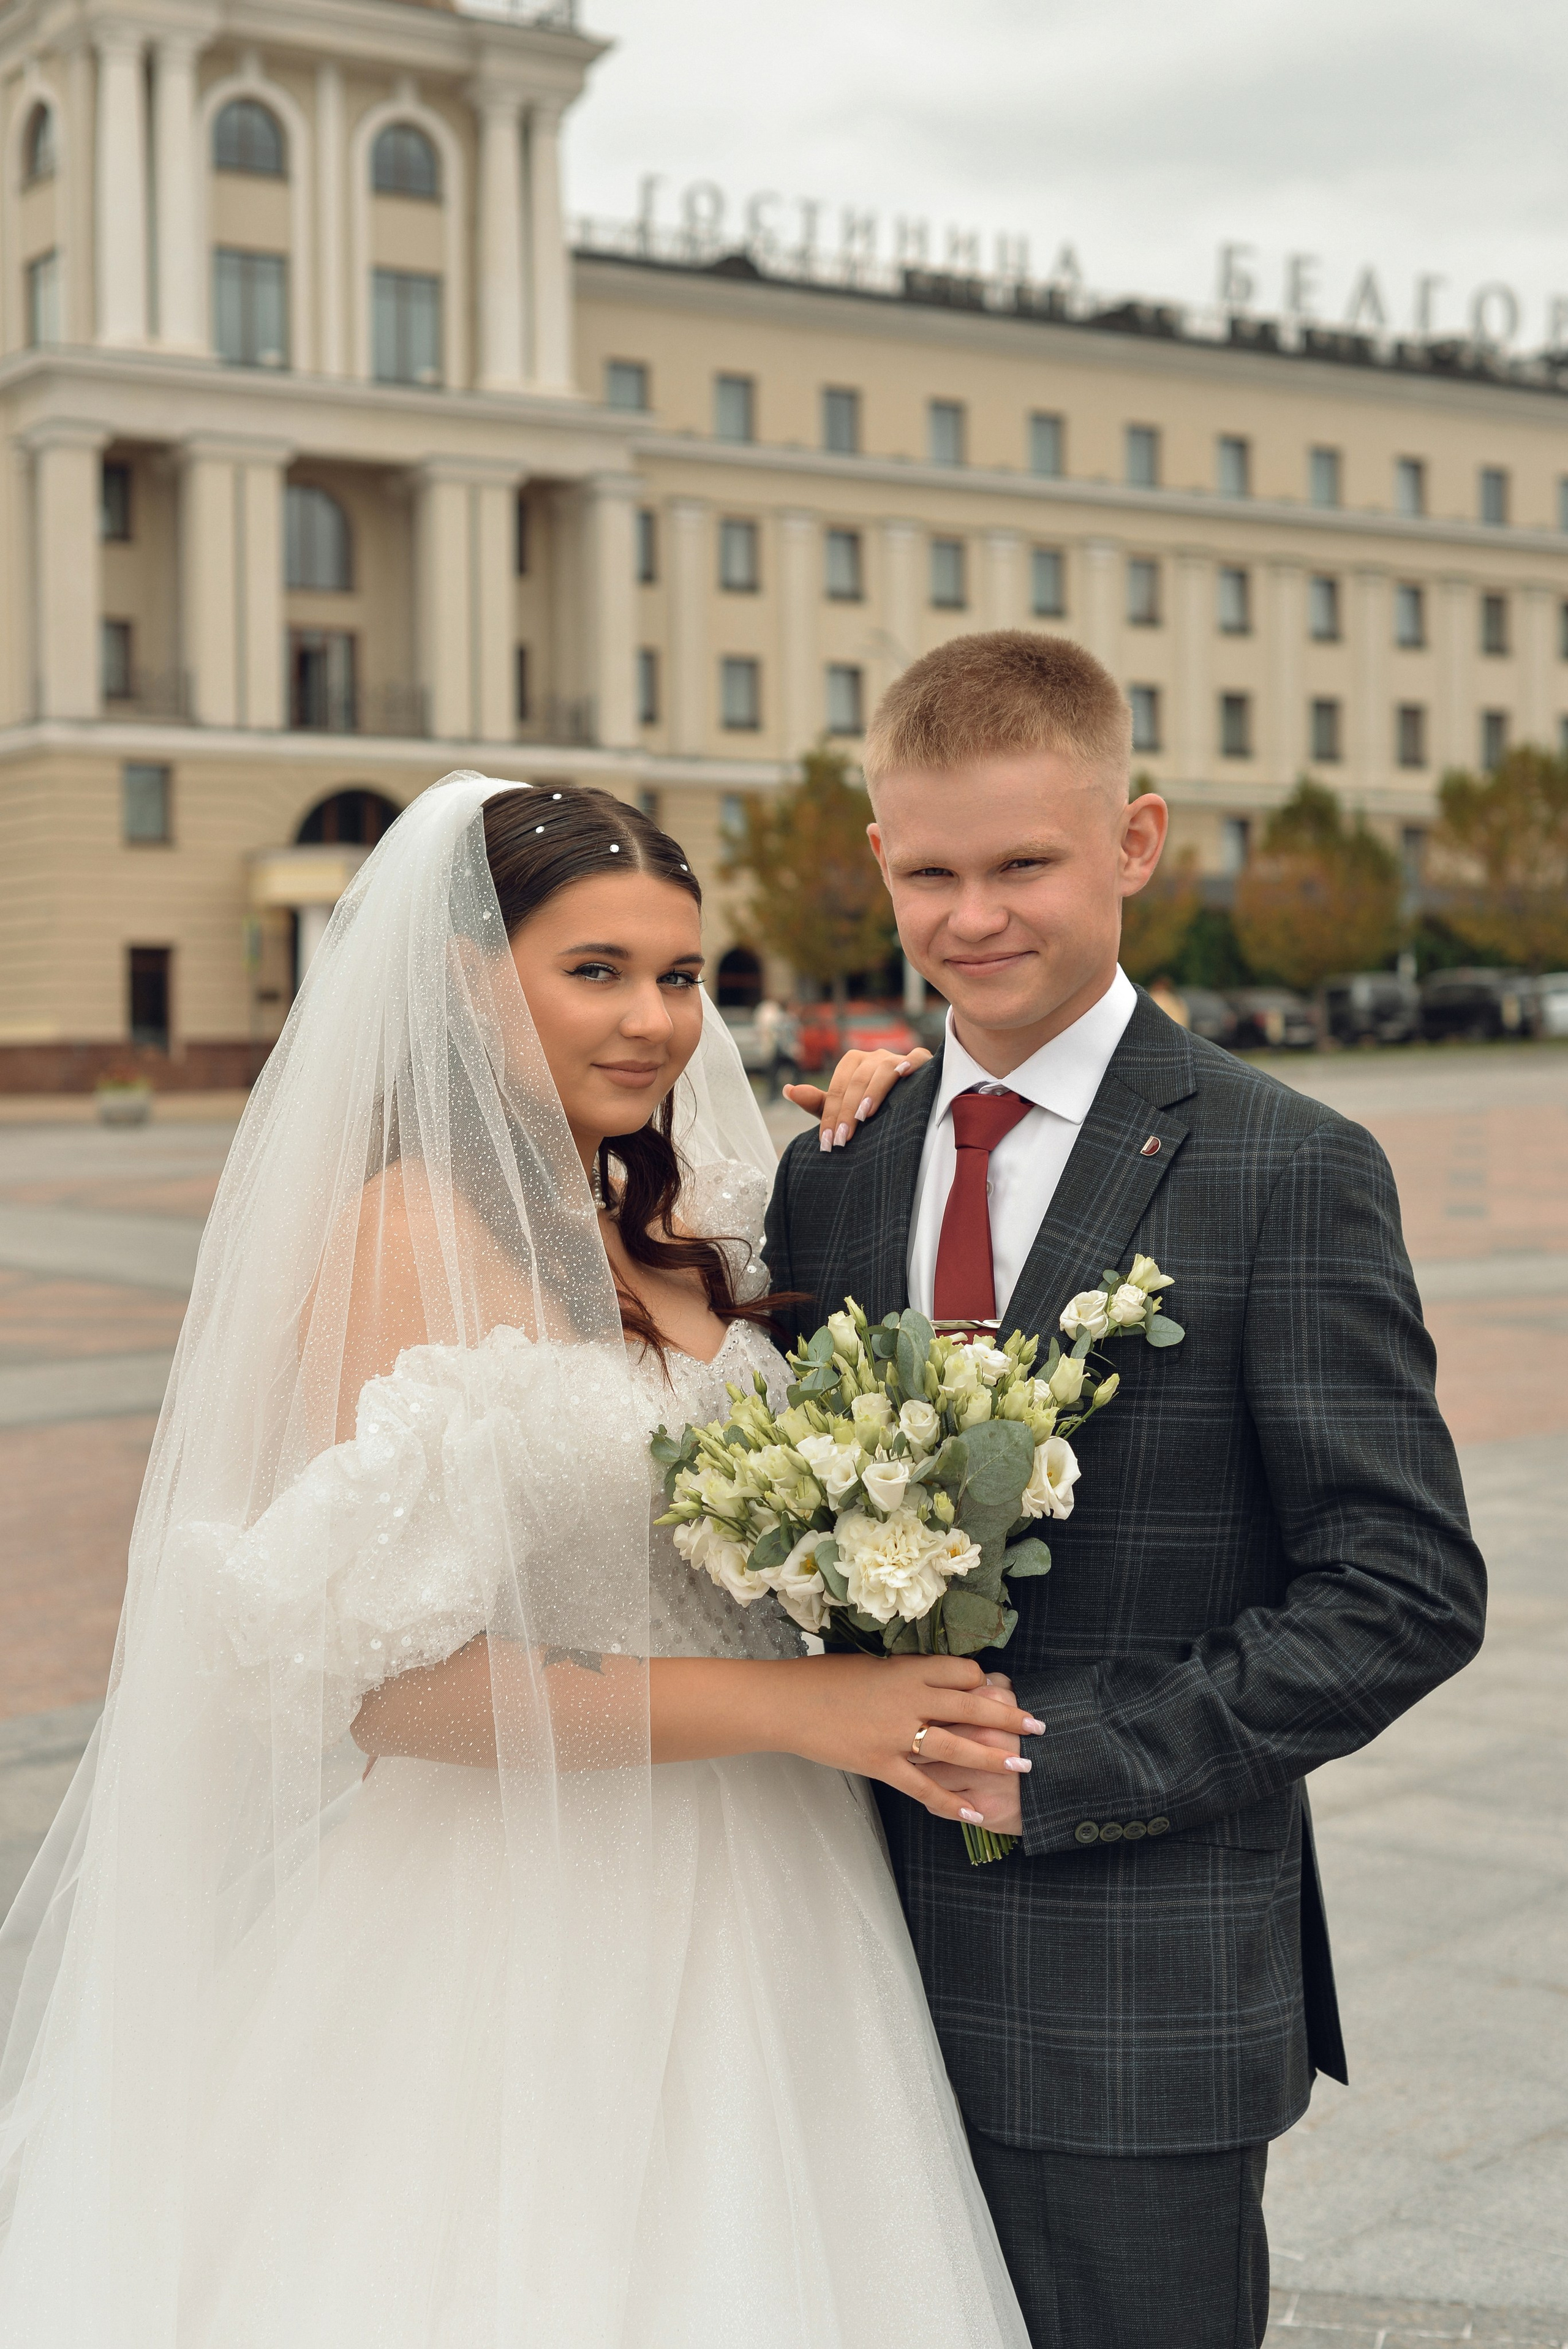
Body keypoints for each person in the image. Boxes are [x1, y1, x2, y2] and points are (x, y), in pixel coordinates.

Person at [0, 775, 1034, 2347]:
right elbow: (389, 1696)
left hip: (784, 1871)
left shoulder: (669, 1218)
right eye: (595, 971)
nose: (654, 1022)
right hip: (529, 1903)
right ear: (463, 981)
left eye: (680, 976)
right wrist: (800, 1713)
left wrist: (883, 1105)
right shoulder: (405, 1237)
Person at [764, 632, 1487, 2349]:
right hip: (830, 1965)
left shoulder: (1282, 1162)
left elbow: (1402, 1588)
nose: (973, 915)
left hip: (1129, 1989)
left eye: (1025, 863)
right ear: (879, 861)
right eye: (931, 870)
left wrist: (1061, 1767)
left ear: (1136, 843)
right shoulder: (836, 1170)